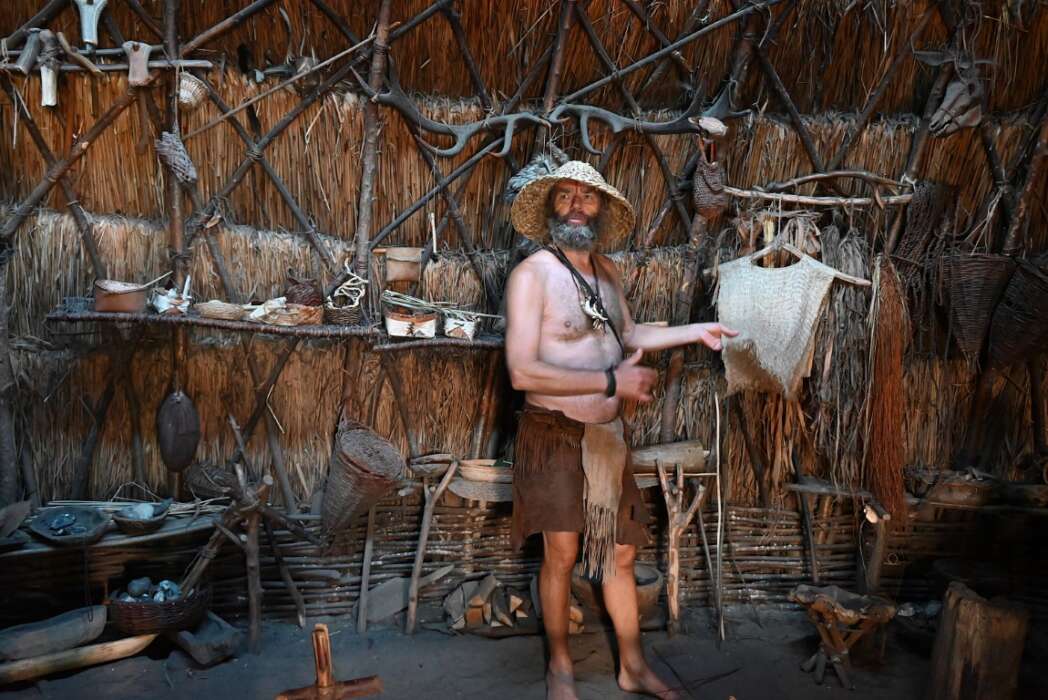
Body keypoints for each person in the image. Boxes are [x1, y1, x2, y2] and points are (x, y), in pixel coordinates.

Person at [504, 160, 737, 700]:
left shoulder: (606, 272)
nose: (577, 206)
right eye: (565, 195)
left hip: (606, 438)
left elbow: (628, 333)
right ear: (551, 207)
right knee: (562, 555)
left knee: (621, 555)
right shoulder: (532, 276)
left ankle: (632, 666)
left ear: (602, 209)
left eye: (587, 196)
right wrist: (613, 380)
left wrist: (696, 331)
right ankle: (560, 666)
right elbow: (521, 372)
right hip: (554, 433)